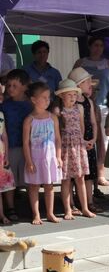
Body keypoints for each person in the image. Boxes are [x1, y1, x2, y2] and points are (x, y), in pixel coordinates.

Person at [74, 36, 109, 188]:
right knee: (86, 140)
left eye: (101, 45)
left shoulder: (108, 64)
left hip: (104, 107)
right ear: (89, 46)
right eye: (95, 45)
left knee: (103, 142)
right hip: (84, 106)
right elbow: (72, 83)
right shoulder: (81, 63)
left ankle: (100, 173)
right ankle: (85, 172)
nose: (98, 48)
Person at [55, 79, 96, 220]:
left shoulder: (79, 109)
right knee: (66, 180)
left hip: (78, 146)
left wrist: (83, 141)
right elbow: (58, 133)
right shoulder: (59, 112)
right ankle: (68, 209)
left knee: (80, 178)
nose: (73, 98)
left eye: (74, 95)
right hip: (66, 146)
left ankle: (84, 208)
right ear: (61, 96)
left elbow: (81, 128)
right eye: (69, 95)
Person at [23, 82, 62, 225]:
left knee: (49, 185)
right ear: (34, 100)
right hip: (35, 159)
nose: (48, 100)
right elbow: (26, 143)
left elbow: (58, 139)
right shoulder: (29, 120)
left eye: (48, 97)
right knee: (34, 186)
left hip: (49, 158)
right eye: (44, 97)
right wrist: (28, 161)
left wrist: (58, 156)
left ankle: (50, 213)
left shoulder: (53, 118)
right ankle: (36, 214)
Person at [68, 67, 101, 213]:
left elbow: (93, 122)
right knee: (74, 175)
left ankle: (89, 201)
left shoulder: (89, 102)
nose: (90, 84)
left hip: (88, 142)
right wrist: (82, 140)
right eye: (87, 81)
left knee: (89, 174)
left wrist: (93, 138)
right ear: (78, 85)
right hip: (76, 142)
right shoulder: (73, 104)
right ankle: (72, 203)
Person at [2, 69, 32, 221]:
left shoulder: (31, 105)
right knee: (10, 178)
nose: (10, 88)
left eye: (15, 85)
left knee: (28, 177)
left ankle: (32, 205)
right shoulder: (4, 105)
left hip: (28, 148)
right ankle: (10, 207)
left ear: (25, 86)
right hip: (10, 147)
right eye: (8, 85)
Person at [0, 110, 15, 225]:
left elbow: (4, 135)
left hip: (1, 153)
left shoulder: (1, 114)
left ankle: (4, 213)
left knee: (5, 185)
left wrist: (7, 156)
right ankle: (2, 215)